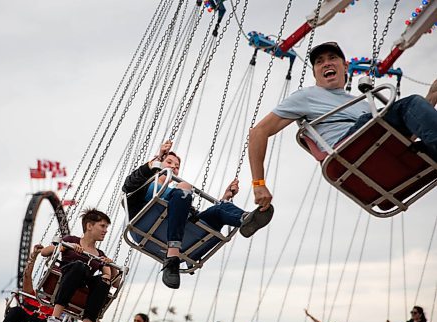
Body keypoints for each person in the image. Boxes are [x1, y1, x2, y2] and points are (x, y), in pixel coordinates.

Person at [248, 41, 437, 210]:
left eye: (332, 58)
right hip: (349, 145)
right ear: (315, 73)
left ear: (345, 67)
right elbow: (259, 132)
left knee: (415, 124)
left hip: (377, 146)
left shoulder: (363, 103)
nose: (327, 63)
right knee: (409, 104)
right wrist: (259, 184)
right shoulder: (306, 96)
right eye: (319, 62)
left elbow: (401, 139)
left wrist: (430, 98)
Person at [122, 140, 274, 289]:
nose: (173, 167)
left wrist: (225, 198)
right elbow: (128, 185)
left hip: (180, 233)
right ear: (159, 162)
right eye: (169, 162)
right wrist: (155, 161)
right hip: (144, 226)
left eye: (177, 166)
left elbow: (195, 219)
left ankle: (245, 219)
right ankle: (171, 257)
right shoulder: (143, 187)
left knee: (216, 209)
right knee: (184, 188)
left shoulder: (178, 198)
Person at [40, 208, 118, 322]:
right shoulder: (71, 240)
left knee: (103, 282)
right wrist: (63, 247)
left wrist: (110, 267)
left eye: (107, 227)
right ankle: (55, 319)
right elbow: (44, 252)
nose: (105, 230)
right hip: (66, 279)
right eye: (102, 226)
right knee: (79, 266)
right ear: (89, 226)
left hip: (84, 286)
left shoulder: (99, 254)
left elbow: (110, 279)